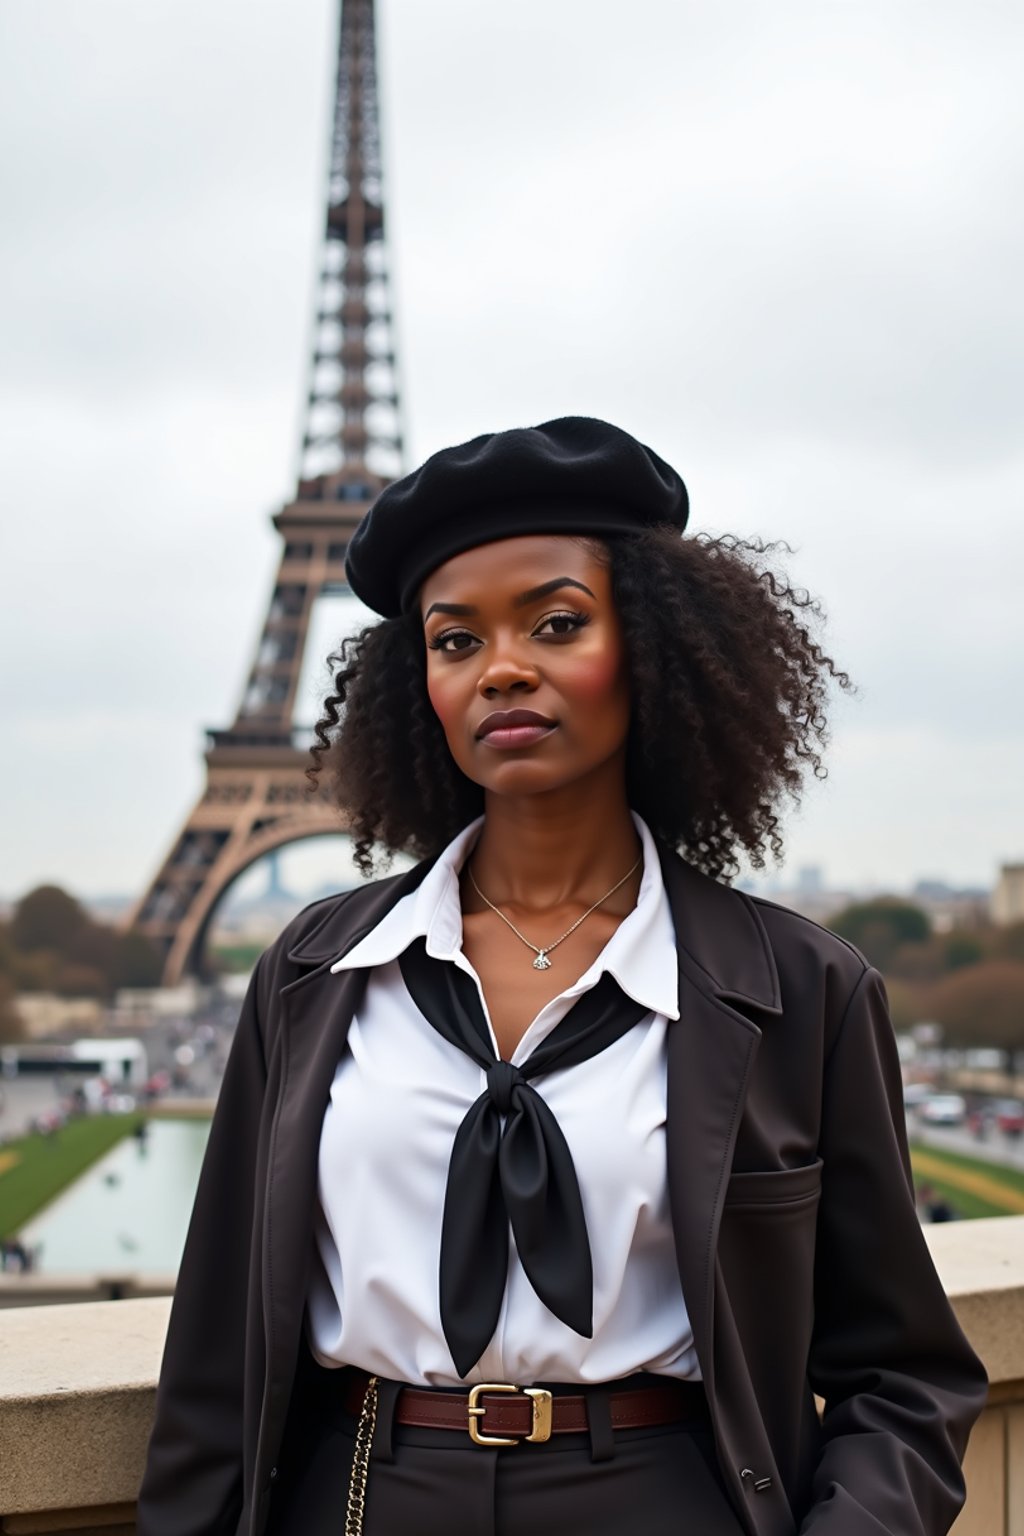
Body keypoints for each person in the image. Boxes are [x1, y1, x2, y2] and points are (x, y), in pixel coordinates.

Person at [137, 418, 986, 1536]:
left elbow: (903, 1376)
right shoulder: (309, 975)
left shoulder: (805, 988)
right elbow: (216, 1361)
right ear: (418, 686)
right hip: (356, 1501)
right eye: (453, 641)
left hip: (665, 1500)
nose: (501, 669)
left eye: (555, 622)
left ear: (654, 648)